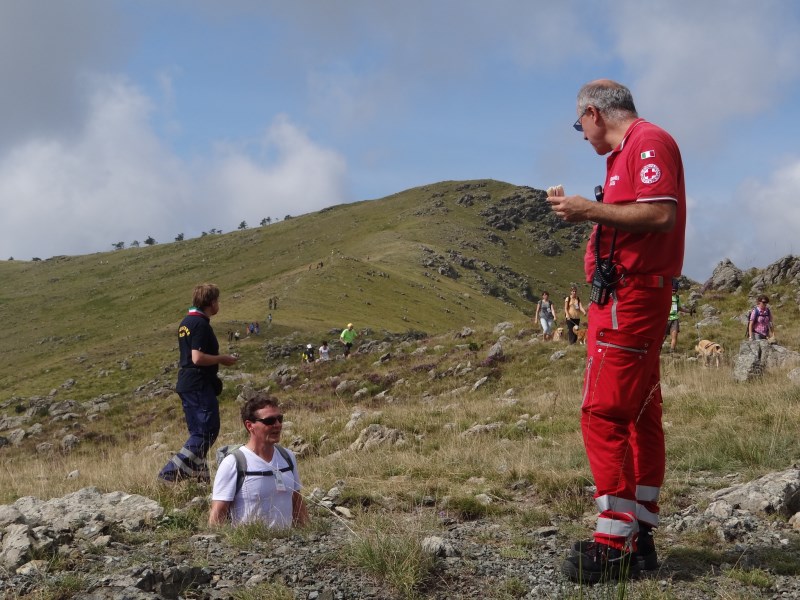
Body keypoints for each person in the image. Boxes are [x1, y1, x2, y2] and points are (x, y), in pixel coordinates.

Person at [547, 79, 686, 583]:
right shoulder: (629, 151)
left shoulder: (647, 143)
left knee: (603, 414)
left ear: (594, 113)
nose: (581, 134)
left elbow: (659, 213)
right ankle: (641, 534)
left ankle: (614, 542)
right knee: (640, 414)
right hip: (634, 297)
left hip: (629, 301)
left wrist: (587, 209)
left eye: (579, 124)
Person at [159, 283, 239, 483]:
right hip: (199, 383)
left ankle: (200, 480)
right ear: (211, 302)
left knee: (198, 431)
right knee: (207, 430)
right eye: (217, 301)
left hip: (188, 383)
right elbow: (197, 357)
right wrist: (221, 358)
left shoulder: (186, 322)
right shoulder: (201, 324)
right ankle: (170, 472)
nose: (218, 304)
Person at [209, 394, 308, 528]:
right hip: (251, 546)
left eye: (280, 419)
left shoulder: (288, 456)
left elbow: (297, 503)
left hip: (289, 545)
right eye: (269, 421)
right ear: (250, 425)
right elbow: (217, 516)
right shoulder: (233, 463)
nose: (277, 425)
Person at [665, 278, 692, 352]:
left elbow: (679, 308)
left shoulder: (677, 298)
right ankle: (658, 350)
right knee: (662, 336)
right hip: (665, 319)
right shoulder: (664, 296)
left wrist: (689, 311)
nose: (674, 292)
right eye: (672, 290)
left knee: (675, 335)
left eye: (675, 290)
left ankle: (672, 350)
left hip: (674, 319)